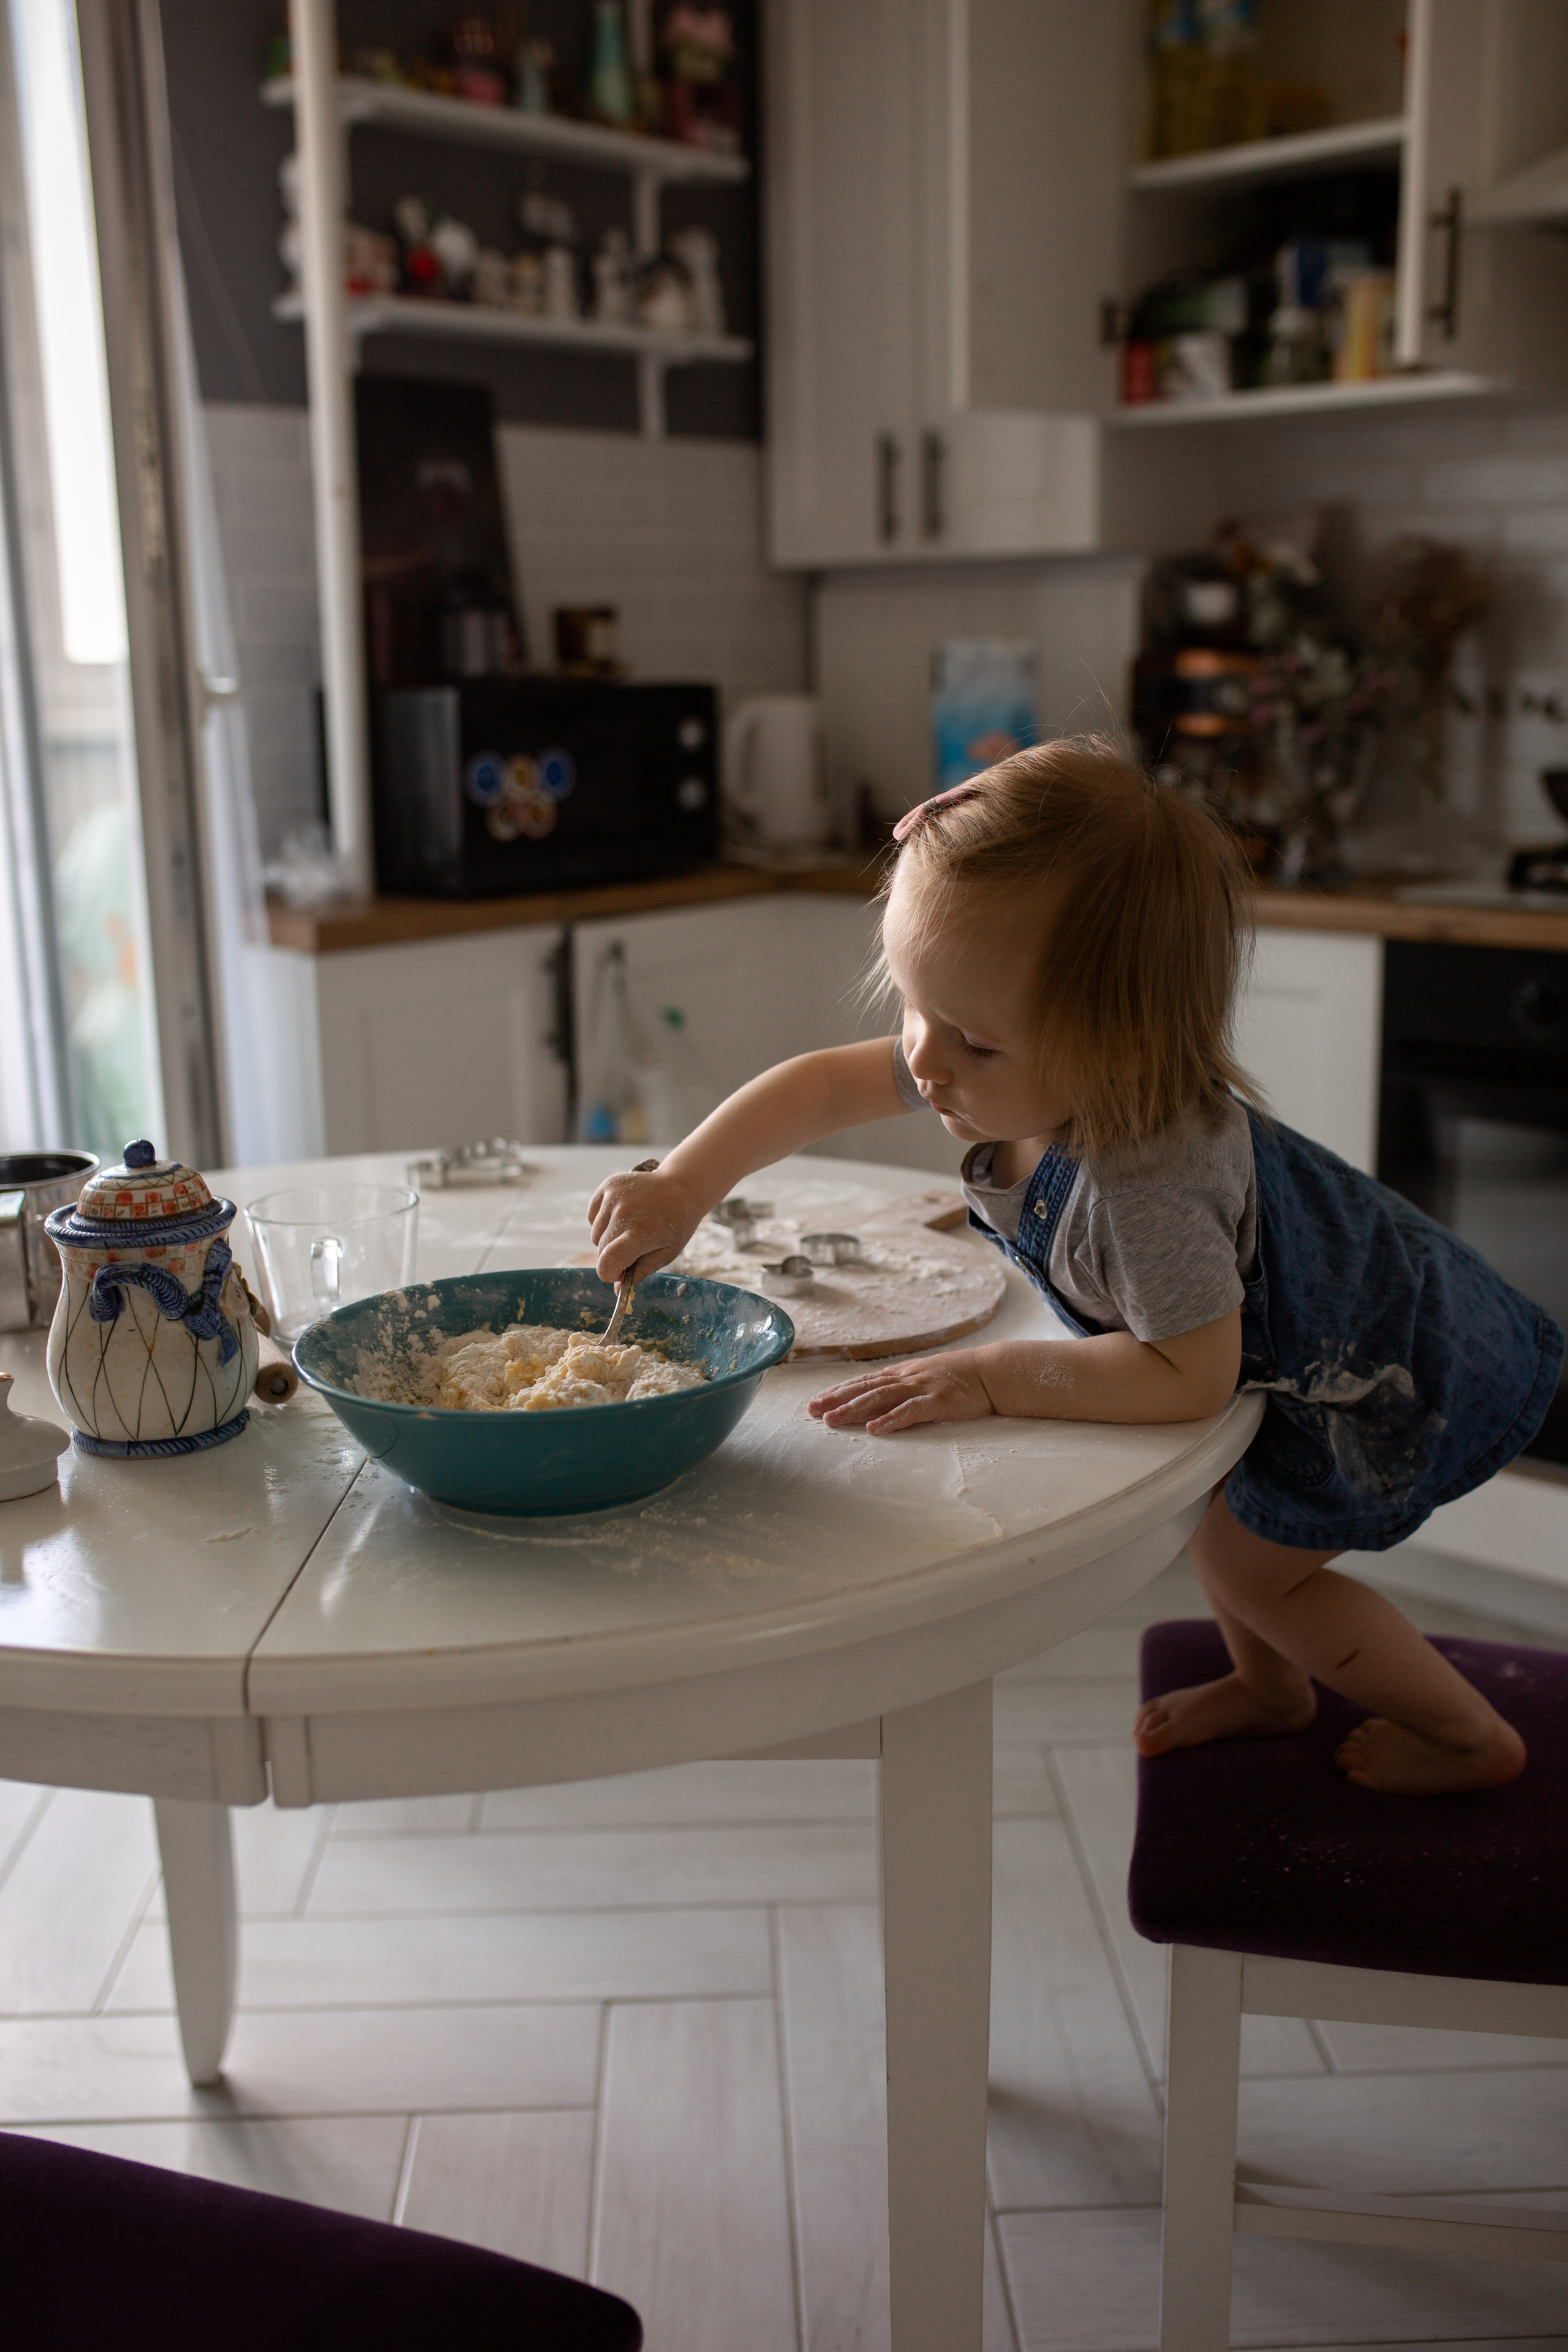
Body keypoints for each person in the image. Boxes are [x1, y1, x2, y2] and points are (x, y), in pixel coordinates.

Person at [589, 737, 1562, 1795]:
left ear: (1120, 1047)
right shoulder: (993, 1045)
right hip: (1287, 1339)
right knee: (1228, 1531)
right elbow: (822, 1088)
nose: (921, 1059)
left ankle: (1469, 1739)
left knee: (1250, 1562)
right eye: (913, 1006)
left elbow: (1189, 1376)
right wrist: (687, 1182)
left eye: (968, 1040)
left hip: (1382, 1360)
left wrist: (992, 1378)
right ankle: (1272, 1693)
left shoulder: (1144, 1183)